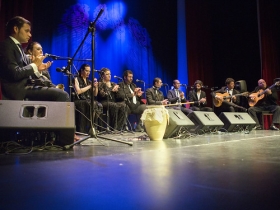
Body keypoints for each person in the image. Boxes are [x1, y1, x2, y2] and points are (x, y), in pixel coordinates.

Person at [0, 16, 69, 101]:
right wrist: (34, 65)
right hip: (19, 91)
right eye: (27, 31)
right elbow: (15, 74)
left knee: (59, 93)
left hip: (27, 88)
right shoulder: (6, 46)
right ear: (16, 29)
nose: (30, 35)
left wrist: (37, 68)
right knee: (62, 95)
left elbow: (27, 69)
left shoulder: (18, 47)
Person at [73, 64, 103, 133]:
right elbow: (78, 91)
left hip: (87, 101)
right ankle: (89, 127)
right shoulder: (76, 79)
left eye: (89, 71)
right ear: (82, 70)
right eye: (86, 71)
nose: (88, 73)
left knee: (99, 105)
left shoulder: (89, 81)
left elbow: (95, 94)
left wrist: (96, 87)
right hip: (79, 100)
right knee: (93, 103)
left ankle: (92, 126)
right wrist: (90, 86)